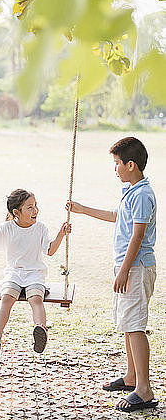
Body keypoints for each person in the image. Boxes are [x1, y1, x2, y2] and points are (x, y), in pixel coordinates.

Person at [66, 136, 158, 413]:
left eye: (117, 163)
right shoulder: (132, 191)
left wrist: (125, 271)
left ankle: (144, 390)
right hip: (127, 266)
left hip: (136, 267)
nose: (115, 168)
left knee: (135, 326)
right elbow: (118, 216)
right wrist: (82, 210)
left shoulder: (142, 195)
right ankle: (131, 378)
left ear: (131, 165)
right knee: (127, 322)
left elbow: (138, 236)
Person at [0, 188, 71, 355]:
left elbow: (50, 250)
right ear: (16, 212)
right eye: (30, 207)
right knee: (7, 298)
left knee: (36, 298)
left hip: (35, 274)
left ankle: (40, 329)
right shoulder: (6, 228)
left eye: (36, 205)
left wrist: (61, 234)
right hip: (14, 273)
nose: (35, 210)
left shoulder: (40, 229)